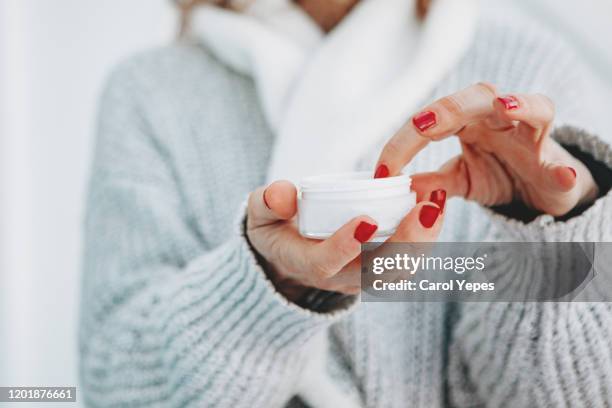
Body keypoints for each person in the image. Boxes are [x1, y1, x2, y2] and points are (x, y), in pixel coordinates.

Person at [80, 0, 612, 406]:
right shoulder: (151, 91)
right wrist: (272, 287)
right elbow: (116, 384)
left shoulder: (526, 69)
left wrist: (555, 226)